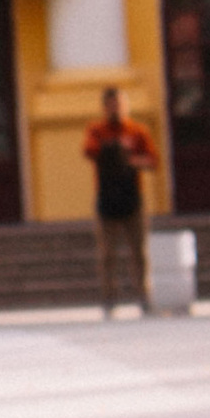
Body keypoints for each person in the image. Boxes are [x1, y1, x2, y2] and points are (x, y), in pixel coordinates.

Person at [84, 85, 161, 317]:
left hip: (131, 197)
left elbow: (153, 161)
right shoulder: (97, 130)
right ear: (105, 107)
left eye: (119, 104)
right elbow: (89, 151)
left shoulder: (137, 131)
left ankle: (143, 296)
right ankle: (109, 298)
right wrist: (110, 150)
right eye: (111, 104)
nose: (116, 108)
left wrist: (129, 159)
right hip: (107, 197)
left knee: (139, 251)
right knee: (107, 253)